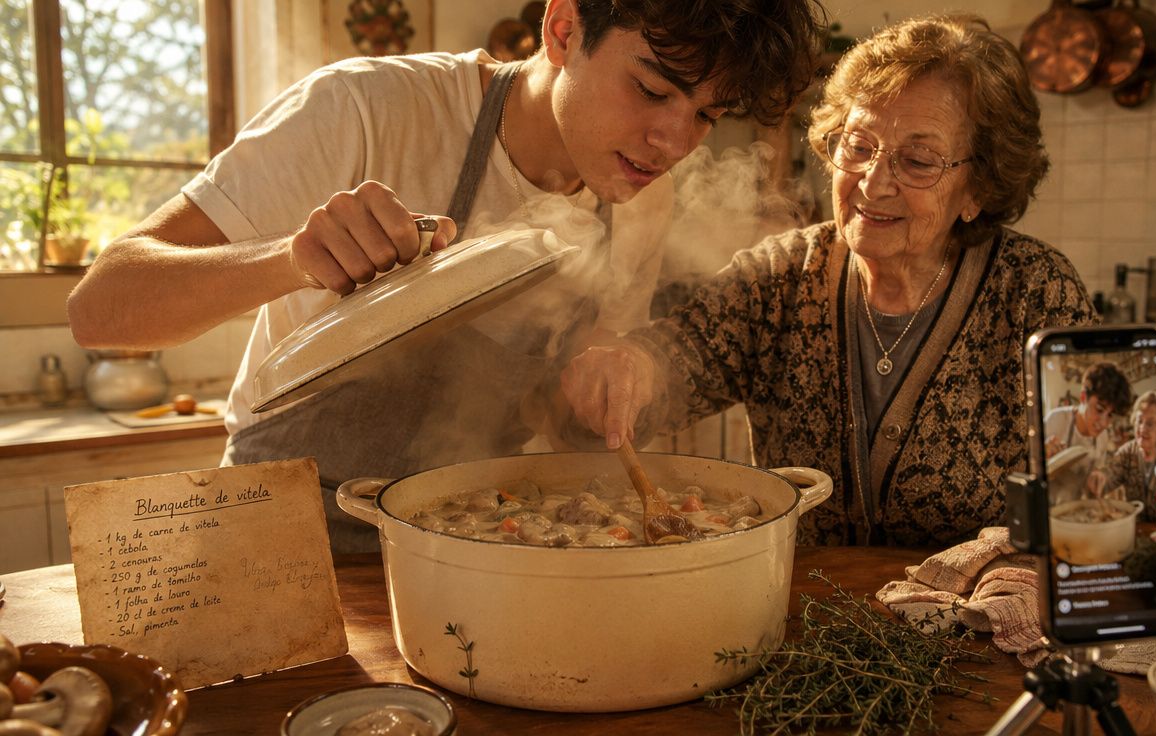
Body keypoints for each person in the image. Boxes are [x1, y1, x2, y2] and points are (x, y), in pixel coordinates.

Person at [66, 0, 828, 551]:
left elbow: (558, 416)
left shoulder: (641, 197)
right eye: (653, 90)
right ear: (564, 29)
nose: (673, 142)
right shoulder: (367, 107)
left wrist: (601, 388)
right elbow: (101, 310)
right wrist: (293, 258)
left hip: (466, 536)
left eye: (706, 115)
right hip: (279, 525)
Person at [555, 13, 1097, 547]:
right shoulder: (780, 274)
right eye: (858, 146)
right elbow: (678, 353)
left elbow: (1097, 491)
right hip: (803, 598)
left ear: (978, 187)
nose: (873, 184)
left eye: (917, 161)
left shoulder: (1036, 292)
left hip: (978, 602)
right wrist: (629, 371)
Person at [1042, 361, 1133, 496]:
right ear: (1083, 397)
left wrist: (1097, 477)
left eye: (1110, 415)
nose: (1104, 423)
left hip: (1079, 505)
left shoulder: (1103, 437)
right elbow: (1029, 469)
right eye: (1099, 409)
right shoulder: (1056, 420)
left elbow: (1097, 470)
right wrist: (1043, 455)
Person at [1103, 390, 1156, 506]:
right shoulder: (1126, 453)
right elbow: (1106, 480)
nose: (1142, 428)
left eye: (1150, 424)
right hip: (1134, 518)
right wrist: (1097, 479)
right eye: (1139, 421)